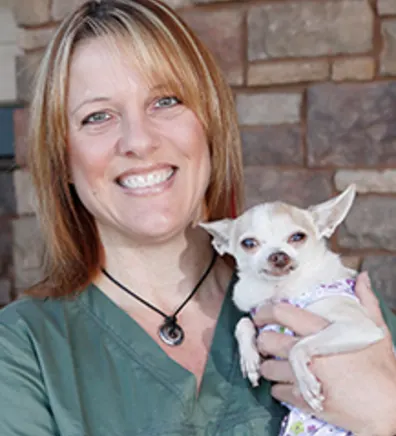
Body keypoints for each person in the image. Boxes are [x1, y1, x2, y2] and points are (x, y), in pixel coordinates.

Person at [1, 0, 396, 434]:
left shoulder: (337, 305)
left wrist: (385, 414)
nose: (139, 141)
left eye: (165, 100)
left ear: (210, 124)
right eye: (98, 116)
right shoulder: (23, 352)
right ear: (62, 159)